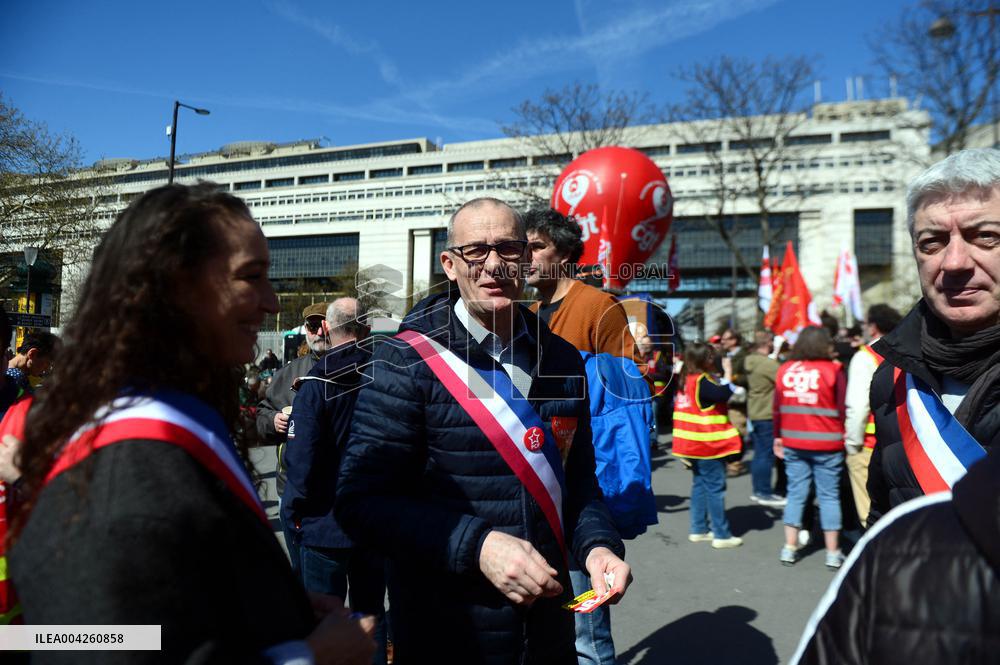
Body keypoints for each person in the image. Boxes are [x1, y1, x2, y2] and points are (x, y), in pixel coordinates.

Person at [7, 184, 374, 664]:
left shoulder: (177, 421)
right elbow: (96, 646)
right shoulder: (124, 472)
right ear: (176, 288)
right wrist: (308, 658)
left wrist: (272, 609)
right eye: (252, 276)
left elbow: (166, 615)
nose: (271, 302)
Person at [336, 197, 631, 664]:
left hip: (548, 631)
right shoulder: (404, 361)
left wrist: (597, 546)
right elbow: (360, 501)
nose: (493, 264)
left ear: (527, 259)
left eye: (509, 249)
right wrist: (477, 546)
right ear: (450, 266)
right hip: (450, 633)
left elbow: (577, 482)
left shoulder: (561, 357)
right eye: (475, 251)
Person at [524, 206, 648, 665]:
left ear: (566, 254)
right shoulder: (528, 311)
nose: (525, 257)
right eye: (525, 247)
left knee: (587, 618)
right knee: (544, 612)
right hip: (535, 480)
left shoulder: (597, 305)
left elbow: (626, 396)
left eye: (537, 247)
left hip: (581, 483)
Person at [866, 149, 1000, 527]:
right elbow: (884, 517)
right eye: (932, 242)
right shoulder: (891, 376)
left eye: (985, 236)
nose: (954, 262)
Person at [790, 448, 1000, 665]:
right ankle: (832, 552)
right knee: (828, 495)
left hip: (914, 539)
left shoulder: (895, 536)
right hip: (918, 525)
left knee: (801, 490)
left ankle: (792, 543)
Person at [281, 298, 389, 664]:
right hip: (373, 521)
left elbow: (301, 460)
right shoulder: (388, 377)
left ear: (326, 330)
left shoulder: (315, 383)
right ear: (366, 331)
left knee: (322, 621)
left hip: (325, 525)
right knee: (371, 614)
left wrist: (295, 511)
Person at [773, 326, 847, 569]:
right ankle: (833, 552)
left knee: (796, 493)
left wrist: (778, 437)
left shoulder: (785, 370)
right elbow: (842, 408)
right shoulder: (834, 370)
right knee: (828, 496)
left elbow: (777, 408)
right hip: (828, 442)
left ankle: (789, 547)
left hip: (793, 441)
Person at [671, 341, 745, 549]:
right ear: (704, 359)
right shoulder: (702, 381)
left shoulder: (685, 379)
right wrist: (728, 373)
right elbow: (725, 393)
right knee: (715, 488)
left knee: (700, 486)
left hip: (690, 444)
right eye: (711, 356)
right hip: (707, 445)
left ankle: (699, 528)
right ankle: (721, 534)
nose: (715, 359)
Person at [257, 302, 330, 492]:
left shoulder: (356, 368)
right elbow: (261, 414)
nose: (320, 334)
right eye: (314, 327)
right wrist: (273, 420)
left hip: (339, 486)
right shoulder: (288, 372)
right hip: (292, 486)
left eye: (325, 326)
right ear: (306, 329)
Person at [843, 304, 901, 527]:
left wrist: (852, 443)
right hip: (907, 442)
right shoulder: (911, 349)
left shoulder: (866, 356)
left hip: (870, 444)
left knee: (870, 512)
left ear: (874, 327)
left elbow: (857, 407)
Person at [744, 331, 785, 507]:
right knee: (766, 455)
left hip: (755, 411)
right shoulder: (767, 364)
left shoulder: (750, 360)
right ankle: (764, 492)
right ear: (767, 344)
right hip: (766, 412)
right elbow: (783, 379)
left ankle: (759, 489)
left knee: (760, 453)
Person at [718, 328, 749, 477]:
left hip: (738, 402)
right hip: (723, 400)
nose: (722, 341)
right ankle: (728, 460)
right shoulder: (722, 355)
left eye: (725, 339)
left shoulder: (745, 356)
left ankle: (735, 463)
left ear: (734, 340)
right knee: (726, 433)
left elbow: (748, 378)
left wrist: (731, 376)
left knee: (737, 433)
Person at [5, 331, 59, 398]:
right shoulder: (17, 379)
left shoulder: (7, 370)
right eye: (48, 363)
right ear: (32, 354)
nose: (47, 369)